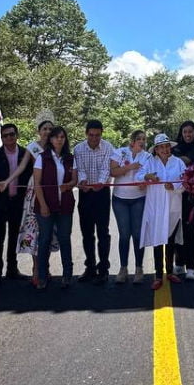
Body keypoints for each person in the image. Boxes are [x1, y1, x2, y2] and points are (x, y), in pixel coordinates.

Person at [12, 116, 57, 286]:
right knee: (34, 231)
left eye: (50, 129)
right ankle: (36, 268)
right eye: (44, 129)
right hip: (35, 190)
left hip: (52, 190)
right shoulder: (32, 147)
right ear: (39, 132)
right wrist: (8, 181)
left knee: (49, 231)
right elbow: (22, 167)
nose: (47, 132)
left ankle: (45, 266)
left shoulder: (57, 148)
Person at [0, 123, 31, 287]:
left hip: (18, 203)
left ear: (17, 135)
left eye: (11, 134)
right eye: (5, 136)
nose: (9, 138)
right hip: (0, 202)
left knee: (14, 237)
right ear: (2, 138)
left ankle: (12, 269)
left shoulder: (26, 154)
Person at [138, 133, 185, 291]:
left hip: (173, 205)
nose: (165, 149)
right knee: (158, 240)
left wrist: (175, 187)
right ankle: (158, 275)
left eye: (167, 146)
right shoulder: (149, 162)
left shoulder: (178, 163)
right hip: (156, 206)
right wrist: (147, 176)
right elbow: (138, 177)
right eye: (161, 147)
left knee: (170, 240)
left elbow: (185, 182)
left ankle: (170, 272)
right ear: (156, 149)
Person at [33, 127, 78, 289]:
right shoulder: (42, 158)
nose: (59, 140)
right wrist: (43, 205)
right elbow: (37, 184)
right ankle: (43, 276)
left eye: (62, 137)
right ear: (50, 140)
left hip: (65, 205)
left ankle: (67, 275)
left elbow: (75, 180)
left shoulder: (70, 158)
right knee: (44, 240)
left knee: (65, 239)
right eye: (56, 137)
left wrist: (70, 185)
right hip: (45, 206)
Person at [73, 119, 115, 283]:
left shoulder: (108, 147)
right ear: (86, 134)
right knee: (87, 233)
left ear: (101, 134)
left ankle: (103, 268)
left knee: (103, 232)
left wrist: (100, 183)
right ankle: (90, 267)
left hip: (102, 192)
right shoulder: (78, 149)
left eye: (97, 135)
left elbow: (106, 168)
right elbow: (80, 169)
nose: (94, 138)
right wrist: (82, 181)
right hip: (85, 193)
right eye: (91, 135)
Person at [109, 130, 151, 283]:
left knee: (138, 234)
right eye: (138, 139)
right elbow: (113, 172)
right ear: (132, 141)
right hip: (120, 199)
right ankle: (123, 268)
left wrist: (145, 183)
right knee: (125, 234)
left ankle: (139, 268)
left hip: (139, 199)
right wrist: (129, 167)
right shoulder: (120, 152)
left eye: (144, 139)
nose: (142, 141)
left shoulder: (148, 156)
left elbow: (150, 175)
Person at [172, 120, 194, 281]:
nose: (187, 135)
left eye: (190, 131)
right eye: (185, 132)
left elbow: (186, 160)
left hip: (192, 194)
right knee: (177, 228)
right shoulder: (176, 147)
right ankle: (179, 263)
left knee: (190, 228)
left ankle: (191, 266)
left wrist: (173, 158)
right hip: (176, 193)